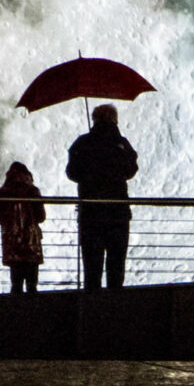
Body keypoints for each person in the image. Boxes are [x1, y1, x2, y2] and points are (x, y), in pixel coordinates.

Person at [66, 103, 138, 291]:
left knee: (92, 268)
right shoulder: (121, 143)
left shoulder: (82, 143)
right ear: (114, 119)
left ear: (94, 119)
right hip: (117, 213)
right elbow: (131, 170)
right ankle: (114, 309)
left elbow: (72, 173)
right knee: (116, 265)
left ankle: (92, 311)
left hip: (91, 213)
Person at [0, 161, 47, 294]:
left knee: (16, 284)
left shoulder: (2, 192)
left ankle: (15, 310)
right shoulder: (33, 191)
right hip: (31, 242)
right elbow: (41, 217)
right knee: (32, 285)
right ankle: (34, 310)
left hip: (13, 243)